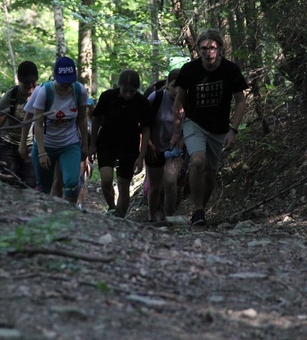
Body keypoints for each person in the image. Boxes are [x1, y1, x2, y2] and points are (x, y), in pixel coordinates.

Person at [171, 29, 248, 226]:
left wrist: (233, 130)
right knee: (198, 160)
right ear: (197, 49)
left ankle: (201, 211)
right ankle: (197, 210)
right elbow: (179, 100)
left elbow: (240, 101)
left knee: (211, 171)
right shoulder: (189, 70)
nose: (208, 52)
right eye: (203, 48)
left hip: (220, 127)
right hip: (194, 122)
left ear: (220, 48)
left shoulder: (230, 70)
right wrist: (175, 131)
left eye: (212, 48)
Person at [18, 56, 89, 204]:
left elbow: (82, 118)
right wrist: (39, 151)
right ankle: (46, 219)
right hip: (46, 144)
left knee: (70, 184)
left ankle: (68, 217)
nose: (66, 85)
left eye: (69, 81)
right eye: (63, 82)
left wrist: (86, 144)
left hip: (70, 144)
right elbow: (35, 122)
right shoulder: (44, 91)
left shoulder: (79, 90)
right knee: (45, 187)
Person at [90, 70, 152, 218]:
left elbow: (146, 129)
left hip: (129, 145)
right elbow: (96, 120)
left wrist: (141, 156)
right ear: (119, 87)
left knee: (124, 185)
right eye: (125, 90)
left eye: (132, 91)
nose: (128, 94)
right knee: (106, 179)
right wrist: (92, 144)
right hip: (106, 142)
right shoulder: (107, 97)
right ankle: (111, 207)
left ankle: (120, 217)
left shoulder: (142, 102)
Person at [0, 61, 39, 188]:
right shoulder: (11, 97)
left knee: (31, 184)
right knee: (10, 183)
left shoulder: (42, 94)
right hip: (9, 144)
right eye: (27, 84)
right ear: (20, 81)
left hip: (31, 145)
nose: (31, 87)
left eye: (34, 83)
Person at [145, 69, 183, 222]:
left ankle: (169, 217)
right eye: (174, 86)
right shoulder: (156, 98)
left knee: (170, 182)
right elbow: (144, 123)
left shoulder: (187, 101)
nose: (177, 90)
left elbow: (188, 127)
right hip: (153, 147)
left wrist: (178, 148)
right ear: (168, 85)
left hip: (174, 149)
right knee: (155, 186)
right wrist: (148, 145)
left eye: (181, 86)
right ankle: (152, 217)